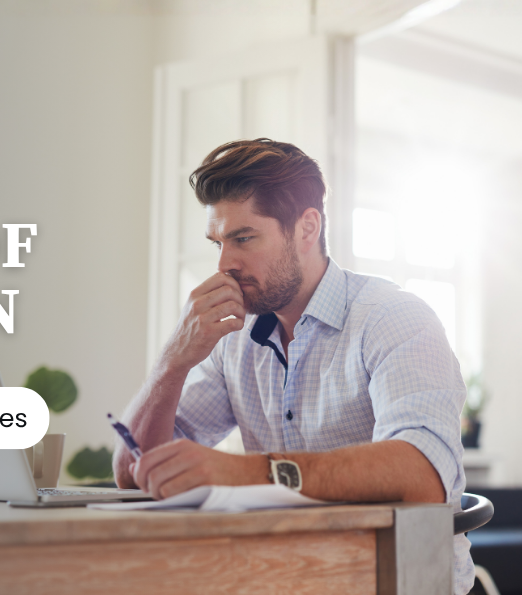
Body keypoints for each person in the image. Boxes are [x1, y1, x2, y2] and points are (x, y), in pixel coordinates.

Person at [113, 138, 471, 593]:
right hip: (282, 578)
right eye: (218, 243)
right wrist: (173, 361)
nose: (225, 264)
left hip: (394, 579)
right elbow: (132, 470)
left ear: (306, 228)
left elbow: (423, 475)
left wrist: (246, 473)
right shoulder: (235, 339)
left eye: (243, 238)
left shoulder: (394, 318)